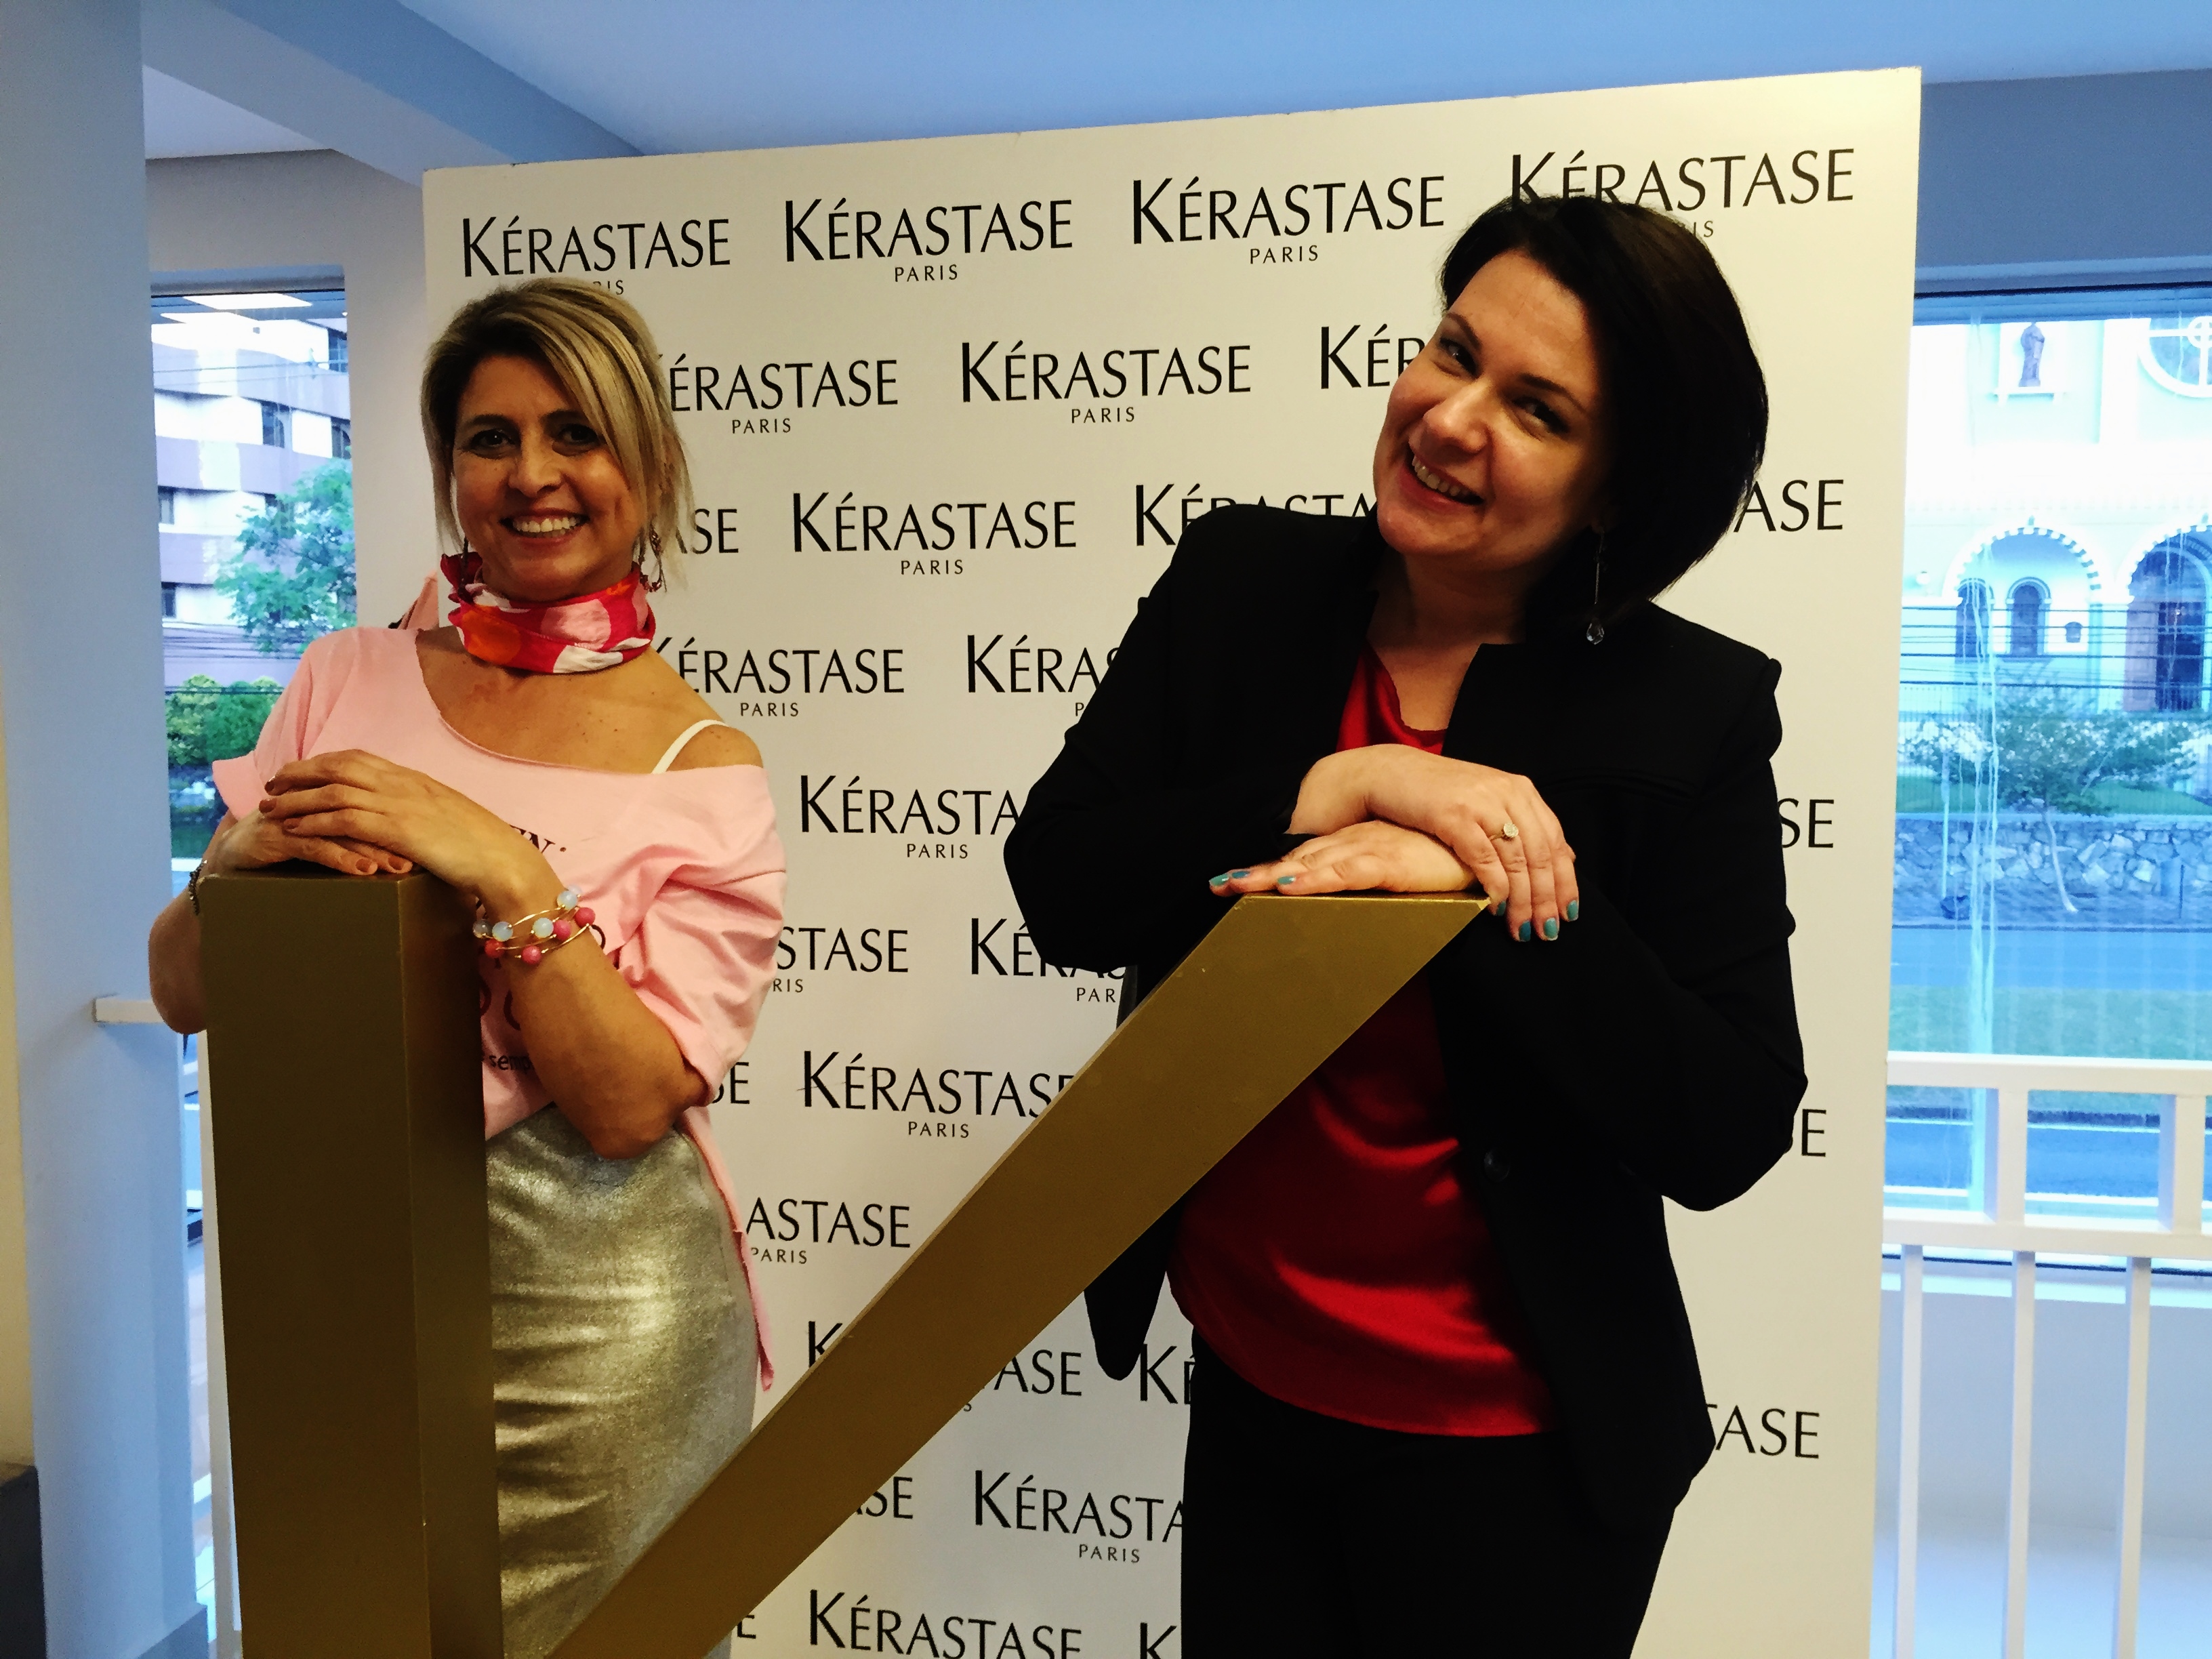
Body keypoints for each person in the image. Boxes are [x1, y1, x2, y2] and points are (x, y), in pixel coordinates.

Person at [1004, 195, 1803, 1657]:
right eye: (1453, 351)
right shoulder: (1239, 586)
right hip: (1254, 1386)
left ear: (1616, 492)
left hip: (1516, 1449)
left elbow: (1729, 1122)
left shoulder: (1686, 711)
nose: (1449, 418)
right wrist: (1338, 785)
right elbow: (1063, 883)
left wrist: (1474, 896)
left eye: (1538, 411)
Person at [148, 279, 783, 1659]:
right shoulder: (345, 681)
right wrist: (237, 857)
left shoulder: (704, 766)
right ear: (449, 467)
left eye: (576, 433)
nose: (532, 475)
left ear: (646, 463)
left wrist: (506, 872)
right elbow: (185, 991)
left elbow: (627, 1108)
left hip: (598, 1316)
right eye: (491, 439)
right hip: (344, 1286)